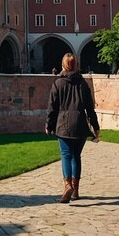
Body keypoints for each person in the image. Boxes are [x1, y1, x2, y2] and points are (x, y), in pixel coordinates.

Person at [45, 53, 100, 203]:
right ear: (76, 65)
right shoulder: (83, 84)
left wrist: (49, 125)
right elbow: (90, 108)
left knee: (66, 155)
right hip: (80, 125)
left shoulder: (58, 83)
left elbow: (52, 108)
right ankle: (75, 190)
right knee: (76, 157)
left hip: (63, 125)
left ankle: (67, 185)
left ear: (63, 65)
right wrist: (96, 127)